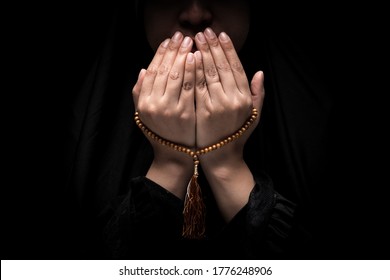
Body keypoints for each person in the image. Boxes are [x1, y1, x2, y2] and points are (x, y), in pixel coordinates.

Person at [63, 0, 336, 259]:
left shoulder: (317, 116)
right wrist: (170, 161)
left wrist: (225, 163)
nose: (195, 14)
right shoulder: (78, 121)